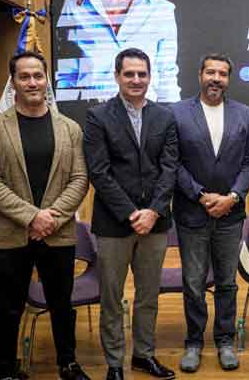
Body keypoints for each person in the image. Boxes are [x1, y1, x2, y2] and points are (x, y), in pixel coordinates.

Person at [0, 51, 90, 380]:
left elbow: (80, 179)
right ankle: (6, 368)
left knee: (61, 304)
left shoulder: (70, 129)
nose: (32, 82)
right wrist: (32, 217)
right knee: (9, 307)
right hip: (11, 234)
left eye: (38, 76)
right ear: (13, 82)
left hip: (58, 232)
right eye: (24, 76)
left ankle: (67, 363)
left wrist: (51, 217)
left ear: (46, 80)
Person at [83, 48, 178, 380]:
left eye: (142, 74)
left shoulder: (165, 116)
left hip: (155, 223)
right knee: (112, 297)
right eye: (129, 74)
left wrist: (153, 211)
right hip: (113, 224)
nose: (136, 80)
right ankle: (114, 364)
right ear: (117, 76)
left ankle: (143, 355)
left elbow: (169, 169)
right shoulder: (98, 116)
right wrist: (131, 214)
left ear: (150, 77)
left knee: (148, 295)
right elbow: (99, 172)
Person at [171, 53, 249, 372]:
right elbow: (173, 161)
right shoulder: (177, 113)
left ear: (228, 79)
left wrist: (233, 197)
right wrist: (200, 195)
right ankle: (194, 342)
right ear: (200, 75)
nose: (216, 78)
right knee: (193, 283)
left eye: (222, 73)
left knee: (227, 282)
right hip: (192, 213)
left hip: (230, 215)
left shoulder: (244, 114)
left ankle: (225, 340)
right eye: (211, 72)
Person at [54, 0, 181, 102]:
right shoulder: (74, 8)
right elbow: (66, 74)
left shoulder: (160, 9)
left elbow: (167, 75)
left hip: (146, 112)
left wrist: (170, 115)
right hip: (89, 111)